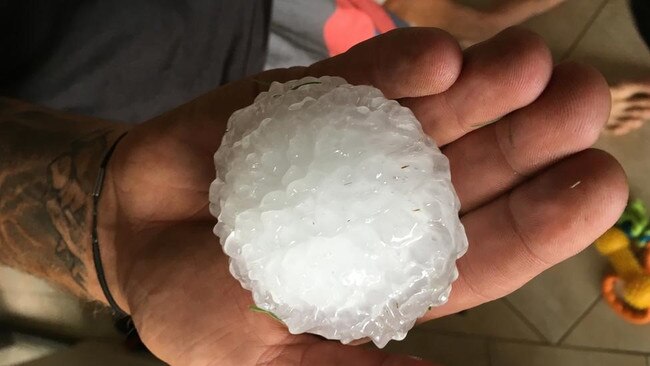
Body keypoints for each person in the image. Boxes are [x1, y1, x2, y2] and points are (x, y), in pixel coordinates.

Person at [0, 2, 629, 366]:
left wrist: (105, 215)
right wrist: (109, 230)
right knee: (439, 54)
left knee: (448, 43)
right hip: (183, 106)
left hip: (253, 36)